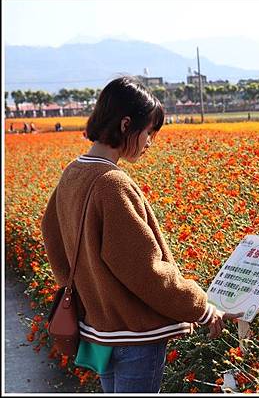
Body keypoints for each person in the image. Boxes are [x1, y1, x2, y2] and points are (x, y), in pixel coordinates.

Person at [40, 76, 242, 393]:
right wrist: (201, 307)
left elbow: (51, 234)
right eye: (149, 132)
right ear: (125, 125)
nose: (150, 142)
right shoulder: (112, 183)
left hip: (101, 329)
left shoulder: (74, 172)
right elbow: (145, 271)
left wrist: (84, 290)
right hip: (133, 336)